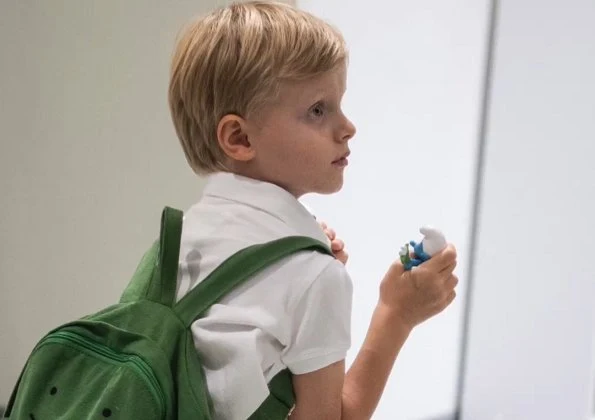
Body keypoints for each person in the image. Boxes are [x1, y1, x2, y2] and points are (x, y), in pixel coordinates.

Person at [168, 1, 458, 419]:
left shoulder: (183, 236)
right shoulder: (312, 276)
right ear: (239, 137)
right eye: (318, 110)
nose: (348, 127)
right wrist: (396, 314)